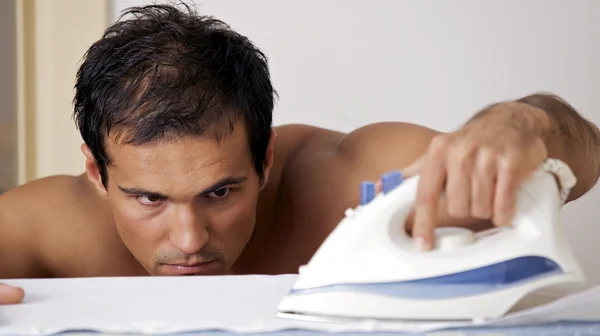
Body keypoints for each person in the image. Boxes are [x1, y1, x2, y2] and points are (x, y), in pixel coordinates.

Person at [0, 3, 599, 305]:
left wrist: (525, 122)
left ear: (265, 160)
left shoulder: (339, 180)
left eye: (221, 192)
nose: (188, 239)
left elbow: (584, 165)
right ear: (96, 172)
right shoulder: (52, 228)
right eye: (149, 198)